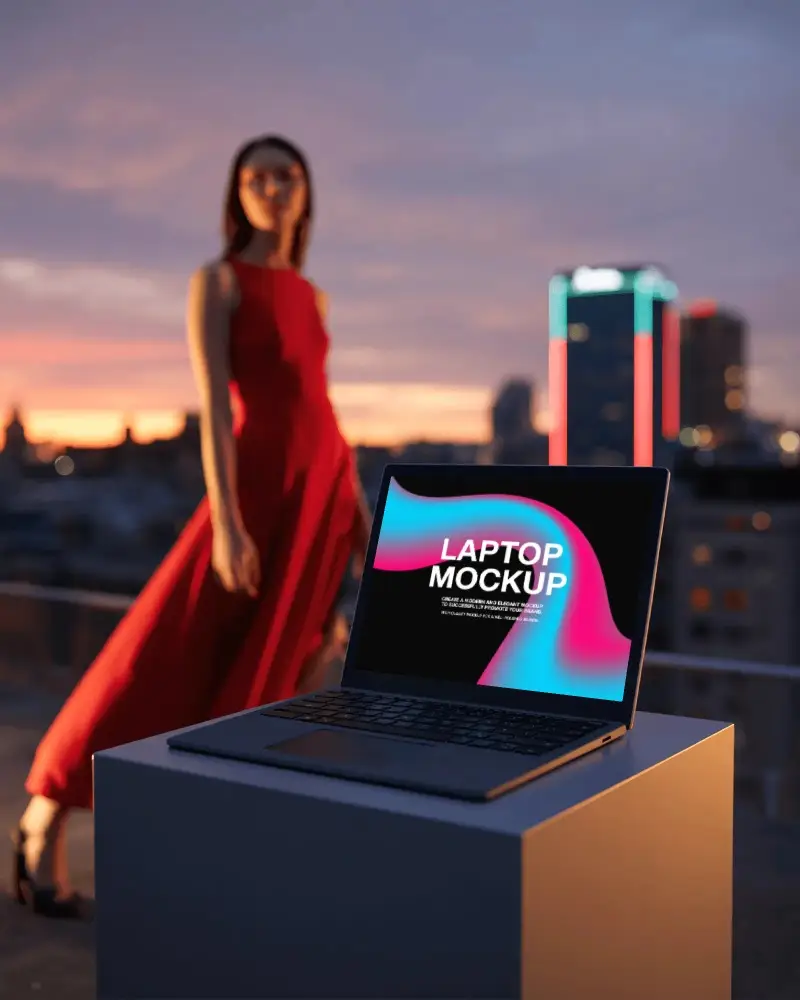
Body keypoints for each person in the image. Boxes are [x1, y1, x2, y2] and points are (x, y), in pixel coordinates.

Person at [10, 134, 371, 918]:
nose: (276, 186)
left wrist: (354, 500)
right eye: (259, 176)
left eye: (289, 174)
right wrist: (228, 524)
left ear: (306, 190)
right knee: (162, 650)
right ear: (238, 193)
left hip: (320, 494)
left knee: (286, 663)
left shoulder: (315, 298)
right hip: (253, 492)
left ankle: (215, 842)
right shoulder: (217, 281)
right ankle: (46, 806)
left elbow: (321, 404)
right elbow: (217, 409)